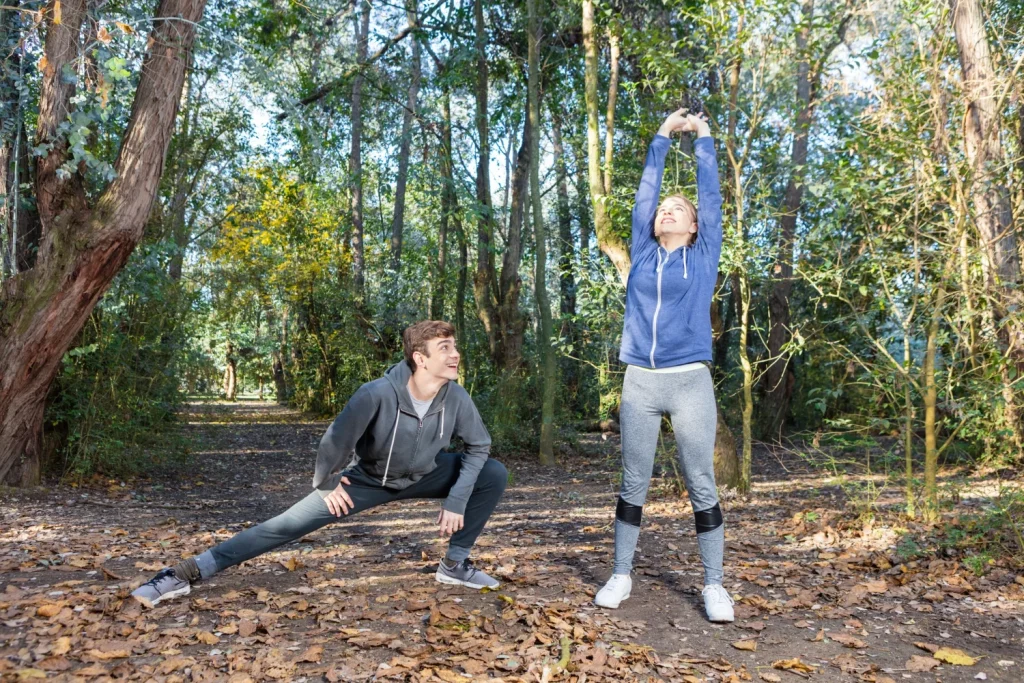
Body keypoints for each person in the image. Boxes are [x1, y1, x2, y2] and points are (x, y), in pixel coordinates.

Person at [132, 320, 507, 606]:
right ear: (420, 358)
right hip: (368, 481)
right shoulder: (375, 394)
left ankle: (455, 565)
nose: (455, 354)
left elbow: (479, 446)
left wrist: (456, 500)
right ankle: (186, 572)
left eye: (454, 346)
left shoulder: (455, 397)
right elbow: (335, 441)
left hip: (426, 474)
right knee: (283, 526)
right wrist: (327, 484)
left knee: (493, 473)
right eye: (445, 347)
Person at [593, 109, 733, 622]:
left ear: (695, 227)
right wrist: (660, 136)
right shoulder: (644, 253)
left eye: (679, 209)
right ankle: (621, 573)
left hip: (690, 381)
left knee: (700, 480)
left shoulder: (702, 256)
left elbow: (711, 196)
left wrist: (701, 138)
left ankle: (714, 586)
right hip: (640, 383)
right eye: (663, 210)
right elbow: (644, 194)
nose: (667, 212)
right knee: (634, 480)